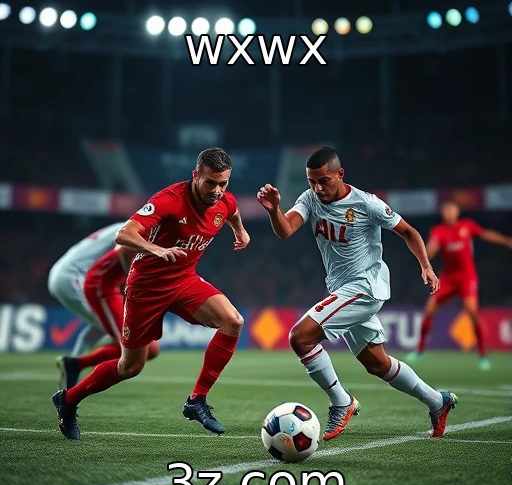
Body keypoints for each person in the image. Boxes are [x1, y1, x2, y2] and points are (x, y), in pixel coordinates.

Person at [257, 147, 457, 441]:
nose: (318, 188)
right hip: (342, 289)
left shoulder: (366, 203)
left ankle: (341, 401)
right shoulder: (310, 198)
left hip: (365, 286)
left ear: (340, 174)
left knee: (300, 337)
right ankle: (438, 402)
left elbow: (409, 232)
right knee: (377, 363)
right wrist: (274, 209)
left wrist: (426, 266)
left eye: (324, 180)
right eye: (312, 181)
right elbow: (285, 230)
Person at [52, 147, 250, 440]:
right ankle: (68, 400)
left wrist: (240, 231)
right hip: (146, 288)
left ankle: (196, 400)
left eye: (223, 183)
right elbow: (124, 234)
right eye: (210, 182)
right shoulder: (169, 200)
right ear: (196, 175)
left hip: (183, 280)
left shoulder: (225, 200)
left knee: (233, 321)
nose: (217, 190)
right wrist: (154, 248)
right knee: (130, 367)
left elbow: (231, 211)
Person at [48, 223, 158, 388]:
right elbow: (123, 249)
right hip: (74, 276)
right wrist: (132, 283)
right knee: (133, 343)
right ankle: (74, 366)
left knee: (101, 326)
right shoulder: (138, 226)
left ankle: (72, 366)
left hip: (66, 273)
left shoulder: (131, 224)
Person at [406, 201, 512, 370]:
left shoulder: (467, 226)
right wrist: (425, 256)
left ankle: (483, 355)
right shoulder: (439, 231)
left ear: (457, 212)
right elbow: (432, 248)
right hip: (448, 279)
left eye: (451, 210)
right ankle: (419, 351)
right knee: (429, 310)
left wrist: (506, 240)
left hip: (467, 278)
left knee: (472, 312)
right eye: (445, 211)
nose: (449, 213)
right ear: (442, 214)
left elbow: (486, 234)